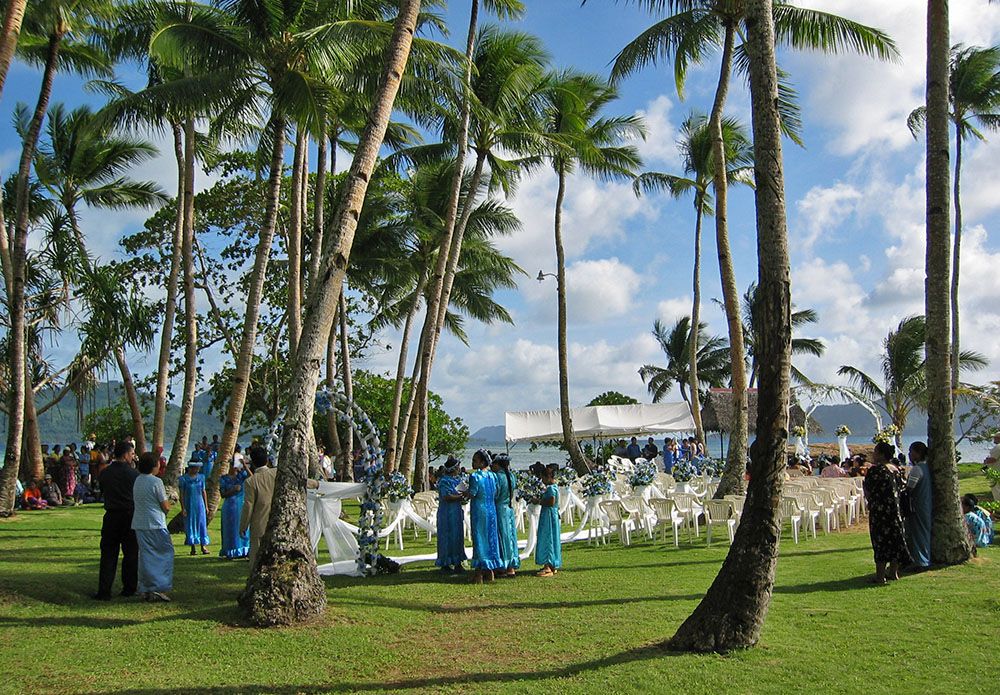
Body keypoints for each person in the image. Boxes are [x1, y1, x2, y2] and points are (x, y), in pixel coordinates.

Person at [94, 441, 140, 600]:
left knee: (108, 553)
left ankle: (104, 590)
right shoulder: (134, 474)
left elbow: (103, 490)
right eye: (132, 454)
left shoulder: (105, 473)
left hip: (112, 515)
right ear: (126, 454)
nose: (133, 457)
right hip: (129, 515)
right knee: (131, 553)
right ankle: (129, 587)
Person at [863, 441, 911, 584]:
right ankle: (893, 572)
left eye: (876, 452)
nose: (874, 454)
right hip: (895, 510)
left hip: (880, 511)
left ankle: (880, 576)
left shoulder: (876, 471)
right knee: (894, 539)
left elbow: (869, 489)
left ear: (882, 454)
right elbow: (902, 486)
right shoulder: (896, 470)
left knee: (880, 542)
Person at [132, 452, 173, 602]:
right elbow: (165, 506)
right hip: (156, 523)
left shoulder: (138, 480)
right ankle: (158, 586)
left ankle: (145, 587)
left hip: (140, 523)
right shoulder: (156, 482)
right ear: (154, 466)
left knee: (145, 556)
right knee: (164, 554)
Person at [466, 449, 501, 583]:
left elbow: (473, 493)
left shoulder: (475, 476)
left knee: (480, 538)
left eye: (475, 460)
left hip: (479, 510)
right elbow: (496, 493)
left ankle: (479, 573)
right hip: (491, 509)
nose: (472, 462)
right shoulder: (493, 476)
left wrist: (465, 493)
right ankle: (489, 571)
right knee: (490, 539)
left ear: (482, 462)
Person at [241, 447, 276, 571]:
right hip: (278, 521)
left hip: (259, 523)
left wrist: (243, 526)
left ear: (253, 463)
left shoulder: (251, 481)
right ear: (267, 460)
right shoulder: (276, 473)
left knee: (256, 557)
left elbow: (248, 506)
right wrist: (318, 485)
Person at [435, 456, 466, 573]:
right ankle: (445, 563)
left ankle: (458, 562)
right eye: (457, 467)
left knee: (457, 536)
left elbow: (465, 491)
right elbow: (446, 496)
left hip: (456, 512)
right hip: (446, 513)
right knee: (446, 536)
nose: (459, 469)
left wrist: (465, 495)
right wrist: (460, 497)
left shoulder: (458, 480)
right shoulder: (444, 481)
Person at [904, 441, 932, 569]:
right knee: (923, 532)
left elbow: (910, 488)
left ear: (918, 453)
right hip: (925, 503)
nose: (909, 454)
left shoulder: (917, 469)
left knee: (917, 533)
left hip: (918, 504)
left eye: (911, 452)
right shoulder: (927, 468)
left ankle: (920, 561)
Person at [491, 453, 520, 578]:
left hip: (499, 508)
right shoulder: (511, 477)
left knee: (501, 536)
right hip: (509, 508)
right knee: (510, 536)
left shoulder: (497, 477)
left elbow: (495, 494)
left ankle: (503, 565)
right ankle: (511, 565)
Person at [219, 460, 251, 559]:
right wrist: (232, 490)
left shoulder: (242, 476)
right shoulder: (223, 478)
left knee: (242, 526)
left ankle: (244, 549)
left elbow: (253, 478)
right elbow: (222, 494)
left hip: (241, 505)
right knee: (230, 528)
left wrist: (245, 467)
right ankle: (230, 550)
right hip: (229, 506)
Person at [534, 464, 562, 577]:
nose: (543, 481)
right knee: (553, 538)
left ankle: (548, 566)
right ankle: (552, 564)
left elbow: (551, 502)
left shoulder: (551, 488)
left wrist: (538, 501)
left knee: (547, 538)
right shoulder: (555, 487)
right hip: (553, 515)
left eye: (543, 478)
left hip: (548, 515)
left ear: (548, 477)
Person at [178, 460, 210, 555]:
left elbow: (203, 491)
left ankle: (203, 546)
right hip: (189, 504)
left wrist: (206, 506)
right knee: (190, 524)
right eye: (196, 468)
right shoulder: (183, 479)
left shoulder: (201, 477)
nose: (197, 470)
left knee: (201, 524)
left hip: (199, 503)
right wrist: (183, 507)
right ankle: (193, 547)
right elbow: (182, 494)